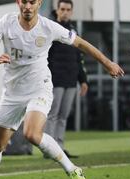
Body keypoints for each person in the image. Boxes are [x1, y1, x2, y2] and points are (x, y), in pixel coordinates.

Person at [0, 0, 124, 179]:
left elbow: (81, 43)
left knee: (31, 134)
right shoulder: (6, 23)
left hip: (39, 88)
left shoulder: (48, 27)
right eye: (23, 1)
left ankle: (73, 170)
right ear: (18, 2)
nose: (27, 6)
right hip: (12, 94)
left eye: (32, 2)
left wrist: (108, 63)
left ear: (39, 3)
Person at [44, 0, 88, 158]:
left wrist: (83, 80)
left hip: (71, 80)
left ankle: (60, 147)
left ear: (71, 11)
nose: (65, 12)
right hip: (55, 79)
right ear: (57, 10)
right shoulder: (51, 29)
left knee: (63, 116)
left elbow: (78, 57)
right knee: (52, 115)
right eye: (62, 9)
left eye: (68, 10)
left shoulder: (73, 30)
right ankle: (49, 149)